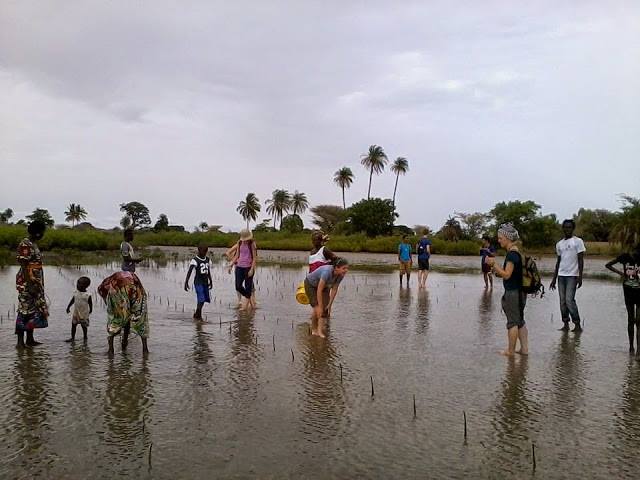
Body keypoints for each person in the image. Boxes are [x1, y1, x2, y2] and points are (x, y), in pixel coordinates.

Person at [486, 224, 528, 357]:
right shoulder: (517, 253)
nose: (499, 241)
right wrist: (497, 271)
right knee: (520, 321)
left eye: (500, 238)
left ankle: (510, 351)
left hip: (513, 293)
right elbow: (510, 274)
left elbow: (507, 274)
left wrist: (494, 265)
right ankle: (524, 349)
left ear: (507, 238)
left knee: (512, 322)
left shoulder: (512, 254)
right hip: (521, 292)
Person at [15, 220, 49, 348]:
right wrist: (29, 284)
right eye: (43, 232)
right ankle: (20, 342)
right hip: (27, 283)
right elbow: (24, 265)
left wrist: (37, 284)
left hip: (36, 282)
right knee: (24, 310)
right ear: (38, 233)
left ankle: (30, 339)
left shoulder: (33, 244)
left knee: (33, 310)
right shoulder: (25, 244)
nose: (43, 234)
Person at [98, 271, 149, 355]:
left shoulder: (106, 286)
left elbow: (114, 310)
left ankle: (111, 350)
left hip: (123, 289)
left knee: (115, 319)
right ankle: (144, 349)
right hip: (136, 290)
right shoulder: (116, 279)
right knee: (139, 318)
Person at [550, 219, 586, 332]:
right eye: (565, 227)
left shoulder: (578, 241)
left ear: (573, 228)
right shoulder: (559, 244)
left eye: (569, 227)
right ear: (563, 228)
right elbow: (558, 261)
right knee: (562, 302)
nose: (567, 229)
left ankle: (577, 324)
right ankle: (565, 324)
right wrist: (553, 279)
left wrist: (580, 276)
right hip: (561, 276)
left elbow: (581, 260)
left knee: (569, 300)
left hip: (572, 276)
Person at [605, 244, 640, 353]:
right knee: (631, 319)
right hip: (628, 292)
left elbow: (608, 265)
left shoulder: (627, 256)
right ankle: (631, 347)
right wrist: (621, 273)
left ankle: (637, 349)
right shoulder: (625, 257)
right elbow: (608, 265)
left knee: (638, 321)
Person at [304, 258, 350, 338]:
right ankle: (315, 330)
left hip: (324, 287)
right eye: (344, 268)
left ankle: (317, 330)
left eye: (347, 268)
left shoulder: (340, 275)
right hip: (311, 285)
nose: (346, 270)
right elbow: (319, 290)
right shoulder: (326, 272)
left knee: (324, 310)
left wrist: (329, 304)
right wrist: (320, 305)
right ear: (336, 268)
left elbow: (334, 289)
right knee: (318, 308)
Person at [230, 229, 258, 311]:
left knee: (248, 286)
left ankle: (245, 307)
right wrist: (231, 264)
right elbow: (237, 255)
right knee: (238, 286)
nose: (245, 240)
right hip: (239, 266)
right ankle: (248, 297)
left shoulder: (252, 244)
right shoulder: (239, 243)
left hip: (248, 267)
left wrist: (252, 269)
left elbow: (254, 258)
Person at [184, 244, 213, 320]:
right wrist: (186, 282)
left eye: (205, 251)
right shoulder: (195, 260)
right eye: (203, 251)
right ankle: (198, 316)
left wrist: (211, 280)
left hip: (205, 283)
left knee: (203, 300)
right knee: (201, 299)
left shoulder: (207, 259)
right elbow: (189, 271)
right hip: (198, 282)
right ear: (199, 251)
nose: (204, 253)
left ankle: (197, 315)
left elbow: (208, 271)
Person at [65, 276, 93, 342]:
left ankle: (85, 337)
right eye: (77, 283)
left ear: (85, 286)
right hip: (76, 313)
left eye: (79, 284)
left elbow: (90, 303)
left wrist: (91, 309)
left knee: (84, 326)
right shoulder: (76, 293)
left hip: (84, 314)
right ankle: (72, 338)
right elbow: (73, 300)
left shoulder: (87, 295)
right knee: (73, 325)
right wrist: (68, 307)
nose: (77, 285)